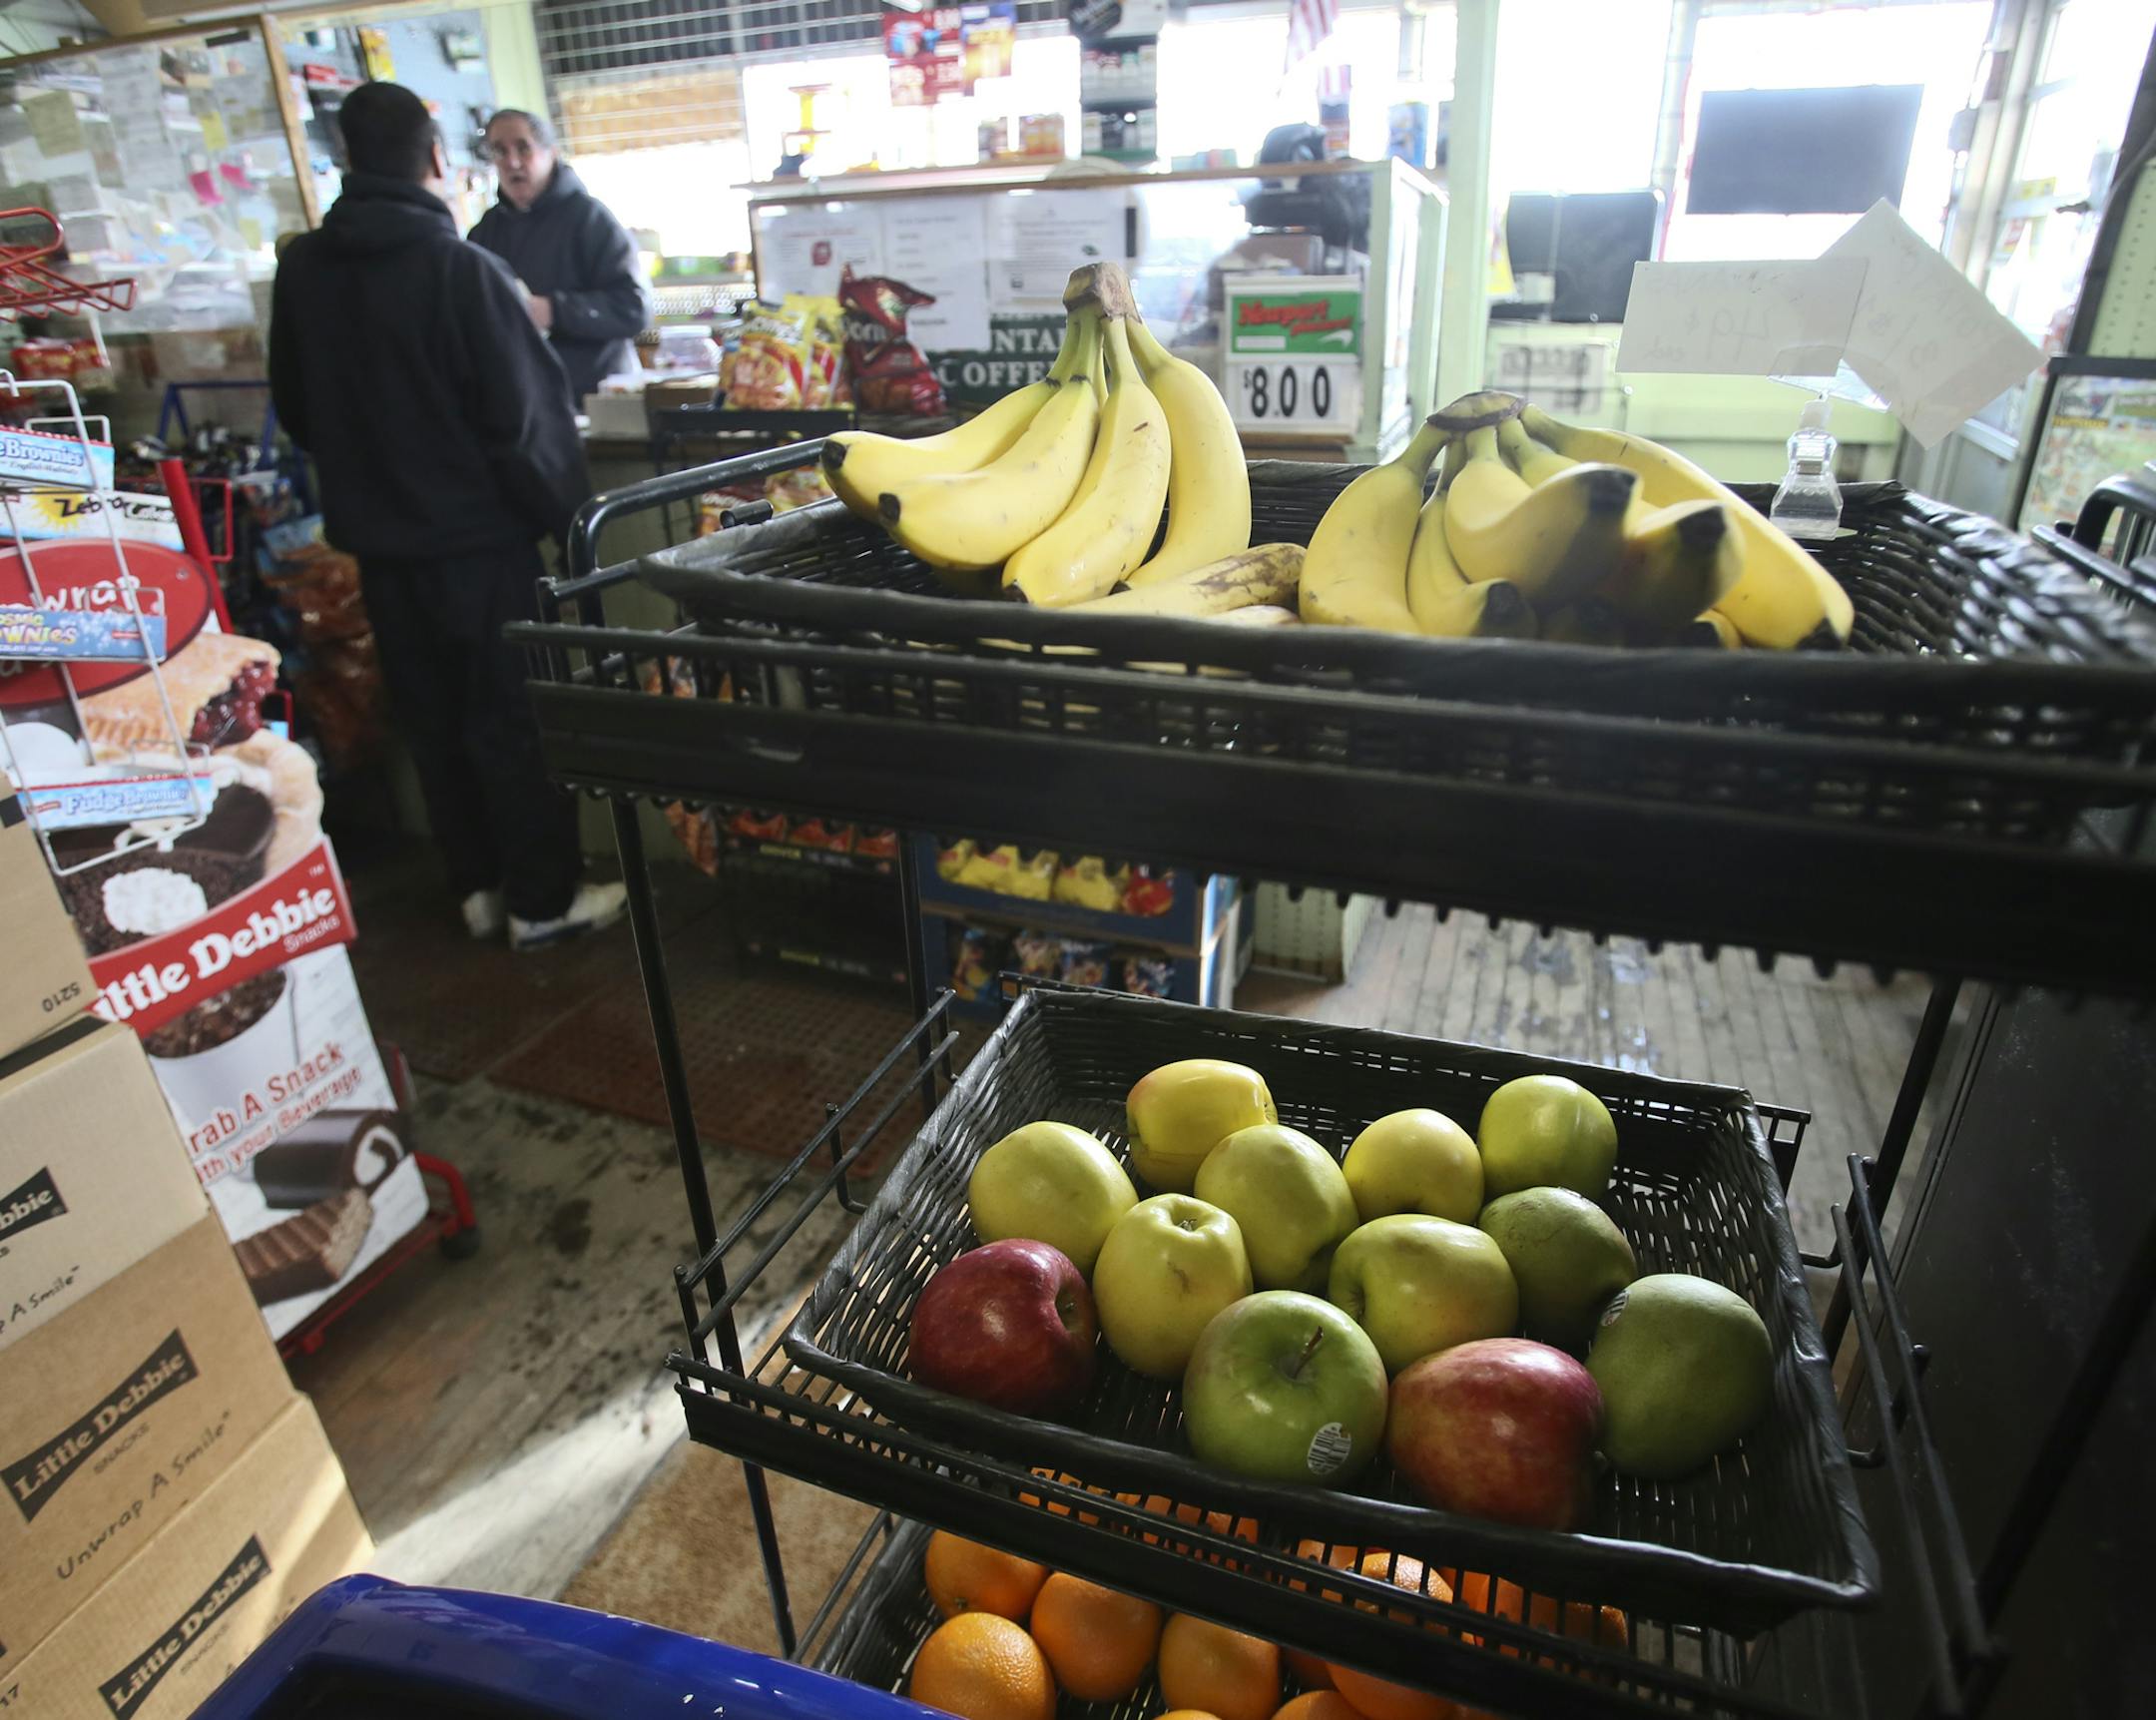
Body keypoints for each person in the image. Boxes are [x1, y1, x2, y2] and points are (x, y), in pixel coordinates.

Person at [270, 81, 625, 951]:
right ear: (436, 159)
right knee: (508, 722)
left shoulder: (304, 268)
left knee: (431, 723)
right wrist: (572, 526)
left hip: (378, 551)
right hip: (479, 546)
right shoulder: (463, 269)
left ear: (351, 159)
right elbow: (525, 425)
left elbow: (300, 411)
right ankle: (540, 902)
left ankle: (476, 889)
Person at [469, 110, 651, 404]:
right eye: (499, 151)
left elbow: (634, 308)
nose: (512, 162)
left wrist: (554, 311)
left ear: (550, 152)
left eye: (523, 147)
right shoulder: (485, 232)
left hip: (597, 398)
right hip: (522, 400)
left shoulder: (591, 219)